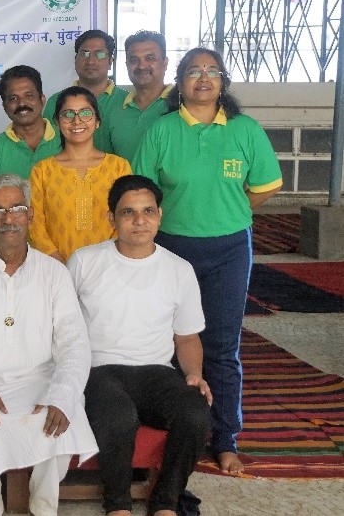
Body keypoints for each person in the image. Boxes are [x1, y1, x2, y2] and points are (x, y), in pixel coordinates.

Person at [133, 47, 282, 475]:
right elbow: (144, 193)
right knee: (165, 343)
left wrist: (228, 208)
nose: (203, 78)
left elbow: (266, 186)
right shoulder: (161, 131)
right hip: (170, 249)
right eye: (193, 71)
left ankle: (225, 437)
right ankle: (171, 433)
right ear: (178, 83)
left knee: (220, 346)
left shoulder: (245, 130)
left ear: (222, 81)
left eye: (212, 71)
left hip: (229, 250)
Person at [0, 174, 97, 516]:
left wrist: (63, 393)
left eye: (17, 208)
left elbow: (74, 346)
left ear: (30, 216)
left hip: (40, 380)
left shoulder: (54, 274)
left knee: (57, 418)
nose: (8, 218)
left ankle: (43, 508)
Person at [68, 175, 212, 516]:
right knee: (118, 417)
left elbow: (187, 336)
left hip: (156, 372)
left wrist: (194, 375)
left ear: (160, 215)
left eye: (148, 211)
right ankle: (118, 506)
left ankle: (166, 502)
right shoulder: (86, 261)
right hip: (98, 370)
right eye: (128, 212)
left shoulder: (179, 269)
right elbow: (62, 327)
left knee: (196, 413)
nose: (139, 220)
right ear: (111, 218)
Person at [29, 86, 132, 262]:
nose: (77, 121)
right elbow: (34, 224)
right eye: (68, 114)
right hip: (55, 269)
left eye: (85, 113)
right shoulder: (42, 171)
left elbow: (127, 216)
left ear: (97, 121)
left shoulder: (118, 168)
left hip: (109, 267)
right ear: (57, 122)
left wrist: (103, 262)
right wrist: (61, 265)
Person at [0, 65, 60, 192]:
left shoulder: (65, 140)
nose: (22, 104)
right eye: (13, 98)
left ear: (42, 99)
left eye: (28, 96)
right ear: (4, 106)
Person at [43, 29, 128, 151]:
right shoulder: (56, 101)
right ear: (75, 60)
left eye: (99, 54)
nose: (91, 61)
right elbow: (49, 148)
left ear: (110, 62)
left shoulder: (127, 102)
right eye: (85, 54)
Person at [100, 30, 174, 161]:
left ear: (165, 63)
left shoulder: (181, 104)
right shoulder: (113, 109)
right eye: (134, 60)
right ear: (127, 65)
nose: (142, 66)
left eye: (150, 58)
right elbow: (105, 162)